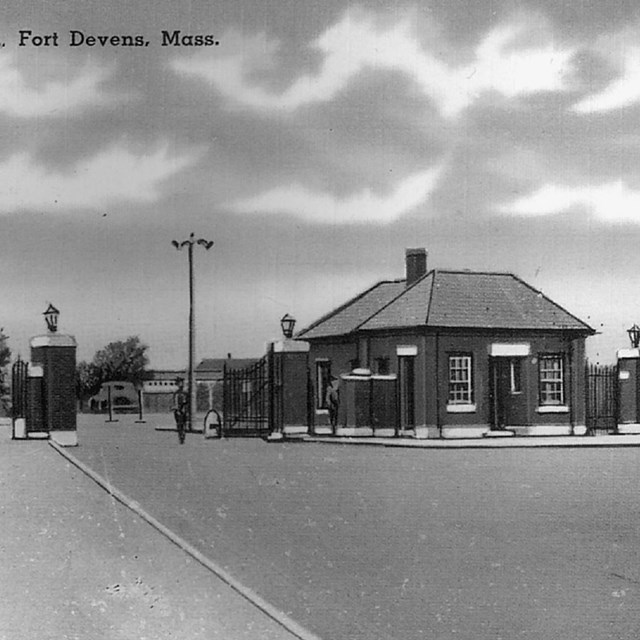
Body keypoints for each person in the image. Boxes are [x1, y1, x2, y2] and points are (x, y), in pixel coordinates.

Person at [172, 377, 188, 444]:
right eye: (179, 383)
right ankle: (181, 436)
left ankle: (183, 436)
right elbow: (175, 402)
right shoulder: (176, 393)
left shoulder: (185, 393)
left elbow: (188, 402)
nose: (181, 384)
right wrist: (177, 409)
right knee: (179, 424)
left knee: (184, 424)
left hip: (184, 410)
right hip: (178, 410)